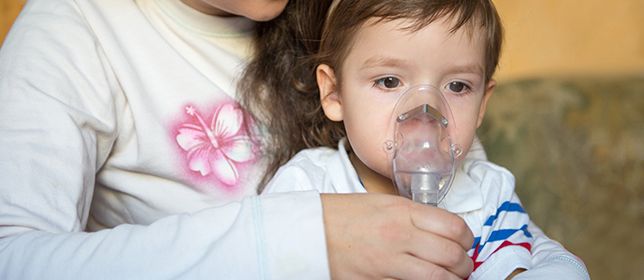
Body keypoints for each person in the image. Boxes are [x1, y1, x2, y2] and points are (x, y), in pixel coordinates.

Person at [0, 0, 476, 279]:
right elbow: (12, 259)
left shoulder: (356, 12)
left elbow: (470, 190)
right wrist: (308, 239)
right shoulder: (78, 25)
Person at [243, 0, 591, 279]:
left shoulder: (487, 196)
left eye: (457, 86)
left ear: (482, 104)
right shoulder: (307, 188)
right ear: (334, 93)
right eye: (390, 81)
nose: (425, 112)